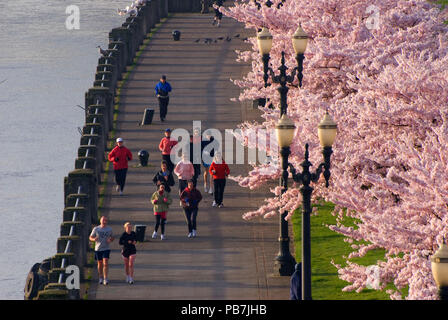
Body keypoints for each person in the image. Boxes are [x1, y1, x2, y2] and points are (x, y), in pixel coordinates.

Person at [89, 216, 114, 285]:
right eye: (103, 220)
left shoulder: (109, 229)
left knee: (105, 262)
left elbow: (112, 237)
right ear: (100, 221)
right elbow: (90, 237)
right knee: (99, 263)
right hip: (98, 248)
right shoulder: (96, 229)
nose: (104, 221)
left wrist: (110, 240)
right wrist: (94, 239)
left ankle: (105, 278)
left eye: (105, 220)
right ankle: (100, 277)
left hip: (106, 248)